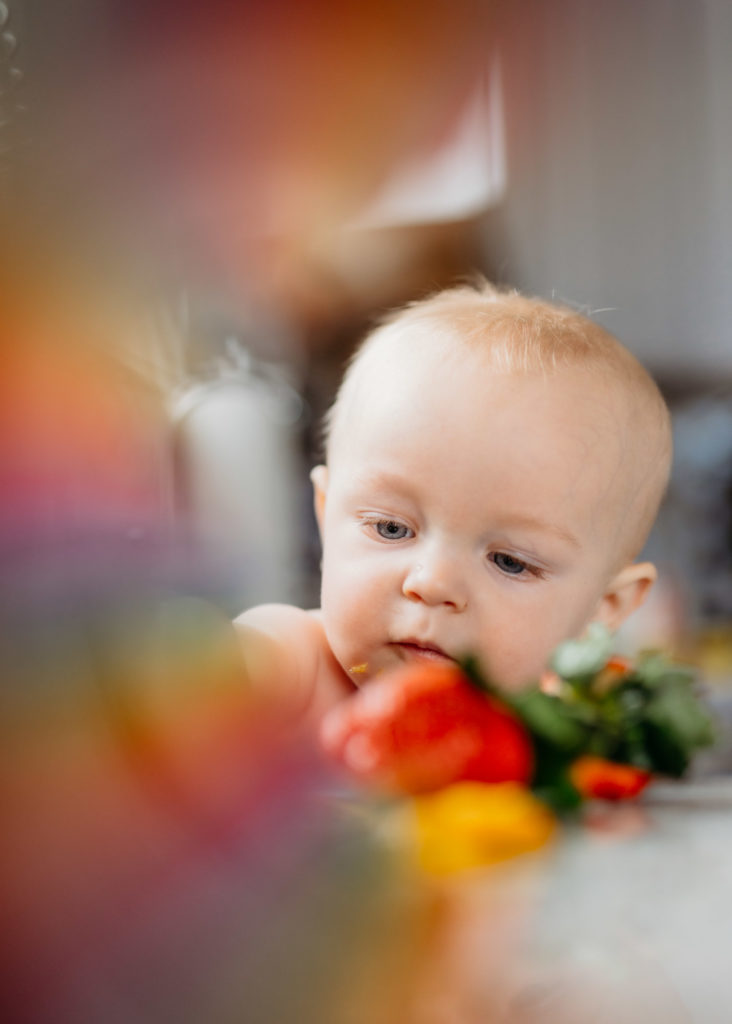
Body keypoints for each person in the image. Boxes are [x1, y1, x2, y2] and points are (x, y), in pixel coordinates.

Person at [235, 281, 672, 723]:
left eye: (510, 562)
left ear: (603, 607)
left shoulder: (561, 730)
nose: (433, 584)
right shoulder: (292, 665)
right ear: (327, 516)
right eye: (392, 528)